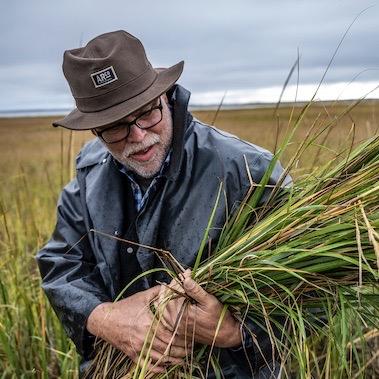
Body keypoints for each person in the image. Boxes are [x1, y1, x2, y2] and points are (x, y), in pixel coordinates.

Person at [36, 30, 288, 378]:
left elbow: (315, 292)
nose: (138, 136)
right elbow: (61, 262)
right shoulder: (89, 172)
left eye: (146, 113)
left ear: (165, 97)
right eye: (115, 127)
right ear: (95, 130)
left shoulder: (248, 170)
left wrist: (235, 331)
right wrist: (105, 317)